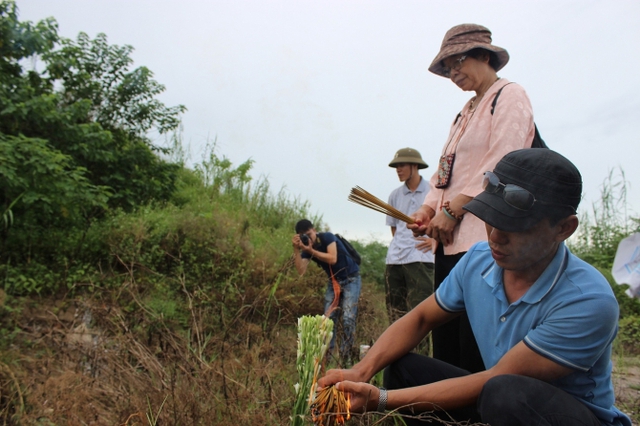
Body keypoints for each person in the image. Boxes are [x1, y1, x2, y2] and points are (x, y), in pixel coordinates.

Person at [318, 149, 632, 426]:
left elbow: (498, 379)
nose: (495, 235)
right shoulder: (479, 260)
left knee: (504, 392)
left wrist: (380, 400)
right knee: (402, 367)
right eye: (489, 218)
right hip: (497, 397)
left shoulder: (587, 300)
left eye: (514, 227)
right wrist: (362, 371)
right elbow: (421, 319)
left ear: (564, 228)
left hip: (566, 415)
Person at [414, 23, 539, 373]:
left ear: (484, 56)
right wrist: (428, 209)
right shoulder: (465, 112)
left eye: (458, 61)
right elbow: (444, 170)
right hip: (448, 240)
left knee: (476, 342)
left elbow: (504, 159)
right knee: (447, 338)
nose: (453, 72)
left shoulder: (509, 95)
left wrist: (454, 210)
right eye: (447, 67)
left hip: (482, 241)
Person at [292, 219, 361, 364]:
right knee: (328, 320)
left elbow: (333, 258)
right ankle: (326, 359)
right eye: (303, 236)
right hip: (334, 281)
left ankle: (345, 358)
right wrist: (297, 249)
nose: (308, 238)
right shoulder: (306, 249)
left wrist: (311, 251)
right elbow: (301, 271)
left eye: (309, 234)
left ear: (315, 230)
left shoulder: (327, 237)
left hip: (351, 279)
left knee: (348, 318)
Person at [385, 148, 436, 324]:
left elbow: (442, 222)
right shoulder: (395, 195)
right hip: (395, 260)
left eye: (402, 165)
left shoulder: (432, 191)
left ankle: (420, 352)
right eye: (396, 166)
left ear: (415, 166)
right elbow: (394, 229)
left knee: (420, 313)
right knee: (395, 311)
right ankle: (398, 352)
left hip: (421, 258)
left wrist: (433, 241)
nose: (398, 170)